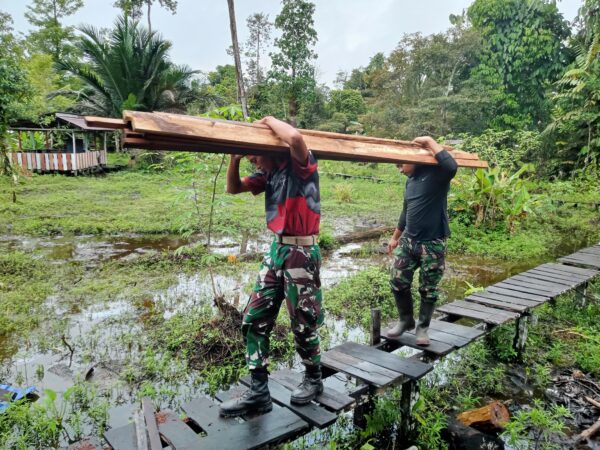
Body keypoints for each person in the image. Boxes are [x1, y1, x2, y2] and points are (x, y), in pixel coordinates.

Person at [219, 116, 324, 417]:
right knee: (254, 318)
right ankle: (258, 392)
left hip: (301, 251)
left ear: (272, 147)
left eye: (256, 153)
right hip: (277, 249)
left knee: (303, 322)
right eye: (250, 156)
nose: (254, 160)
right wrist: (235, 158)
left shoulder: (300, 166)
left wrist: (267, 121)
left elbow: (295, 139)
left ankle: (314, 378)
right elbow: (233, 188)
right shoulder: (269, 174)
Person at [387, 136, 458, 346]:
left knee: (428, 288)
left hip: (433, 243)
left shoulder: (437, 176)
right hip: (409, 242)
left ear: (414, 159)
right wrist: (395, 238)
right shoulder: (411, 182)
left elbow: (451, 166)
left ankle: (422, 328)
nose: (399, 169)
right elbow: (405, 212)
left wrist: (429, 141)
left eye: (401, 164)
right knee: (398, 281)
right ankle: (405, 320)